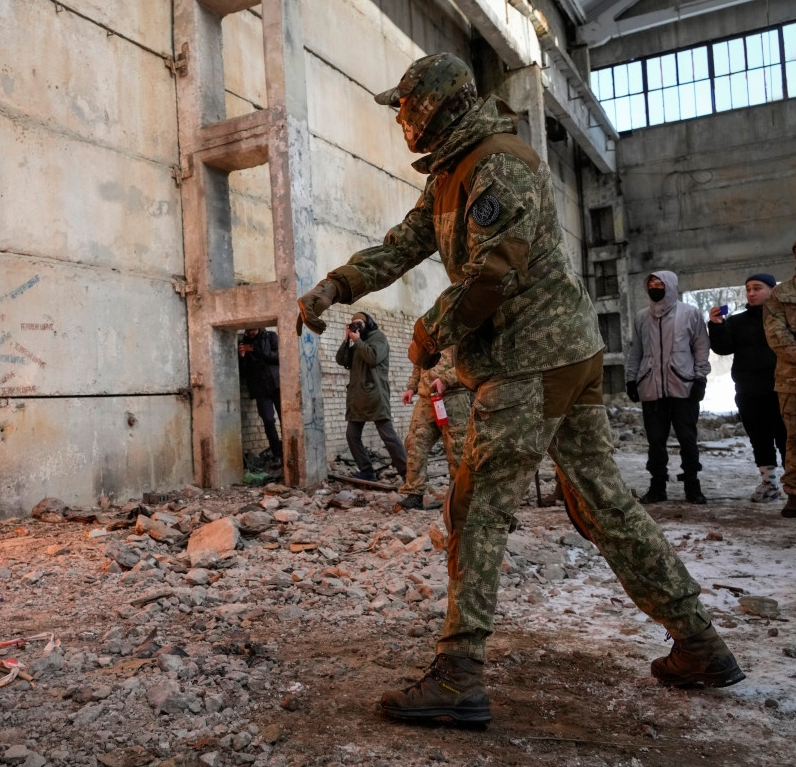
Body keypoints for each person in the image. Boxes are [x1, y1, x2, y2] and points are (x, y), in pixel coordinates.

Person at [296, 52, 742, 725]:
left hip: (531, 360)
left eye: (403, 107)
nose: (398, 119)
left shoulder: (498, 163)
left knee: (476, 508)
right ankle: (700, 644)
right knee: (603, 507)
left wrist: (427, 331)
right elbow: (406, 242)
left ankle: (457, 679)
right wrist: (338, 284)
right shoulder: (454, 170)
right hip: (559, 355)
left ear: (432, 108)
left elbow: (493, 273)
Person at [624, 271, 712, 504]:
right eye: (651, 283)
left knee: (687, 438)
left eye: (659, 283)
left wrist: (700, 378)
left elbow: (701, 347)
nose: (654, 286)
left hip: (683, 386)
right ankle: (657, 485)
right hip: (651, 387)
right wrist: (632, 379)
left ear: (670, 286)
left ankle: (692, 484)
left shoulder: (690, 313)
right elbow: (637, 351)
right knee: (655, 440)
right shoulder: (642, 317)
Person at [709, 273, 785, 504]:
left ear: (772, 290)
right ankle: (770, 483)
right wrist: (717, 326)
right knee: (759, 439)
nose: (752, 293)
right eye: (748, 289)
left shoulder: (783, 318)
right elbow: (723, 349)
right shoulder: (736, 321)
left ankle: (793, 485)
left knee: (787, 438)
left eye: (758, 288)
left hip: (781, 389)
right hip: (749, 392)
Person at [334, 311, 408, 482]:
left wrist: (357, 340)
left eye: (360, 323)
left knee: (388, 436)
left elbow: (373, 358)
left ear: (369, 323)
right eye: (354, 324)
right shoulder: (357, 342)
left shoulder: (378, 338)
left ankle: (408, 473)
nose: (357, 326)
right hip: (357, 397)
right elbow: (341, 360)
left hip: (375, 395)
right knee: (352, 435)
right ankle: (367, 470)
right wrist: (347, 340)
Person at [398, 347, 470, 510]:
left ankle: (458, 498)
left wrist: (446, 379)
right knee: (415, 444)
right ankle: (414, 493)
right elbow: (418, 363)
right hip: (426, 399)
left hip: (454, 398)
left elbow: (470, 364)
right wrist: (412, 387)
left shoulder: (461, 329)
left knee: (457, 449)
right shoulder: (425, 334)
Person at [763, 243, 796, 518]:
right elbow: (778, 338)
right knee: (794, 439)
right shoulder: (780, 294)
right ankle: (795, 494)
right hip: (792, 381)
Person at [238, 327, 282, 463]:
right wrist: (242, 357)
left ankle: (288, 450)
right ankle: (277, 453)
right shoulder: (243, 342)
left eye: (253, 329)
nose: (251, 332)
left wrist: (258, 350)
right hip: (260, 388)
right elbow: (243, 371)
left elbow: (279, 357)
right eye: (248, 330)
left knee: (285, 419)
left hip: (276, 385)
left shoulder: (270, 336)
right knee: (268, 420)